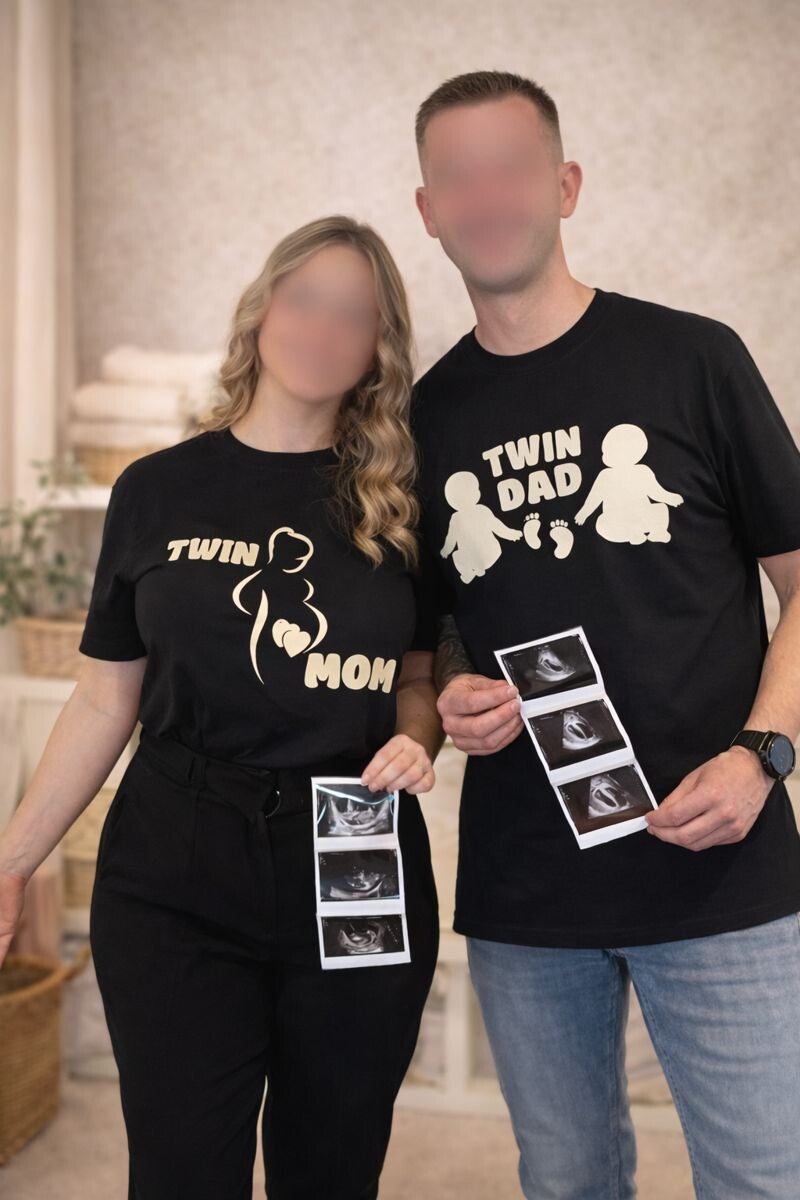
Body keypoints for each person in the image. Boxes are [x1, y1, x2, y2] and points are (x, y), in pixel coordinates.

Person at [410, 69, 800, 1198]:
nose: (486, 196)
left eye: (511, 167)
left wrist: (763, 754)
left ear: (565, 185)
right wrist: (454, 689)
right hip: (528, 890)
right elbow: (435, 627)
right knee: (566, 1179)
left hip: (720, 865)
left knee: (763, 1177)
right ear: (428, 209)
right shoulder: (423, 418)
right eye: (457, 177)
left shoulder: (693, 359)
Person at [0, 214, 444, 1199]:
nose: (322, 328)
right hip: (176, 857)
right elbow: (104, 697)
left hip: (353, 841)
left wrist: (420, 739)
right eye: (304, 299)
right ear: (260, 310)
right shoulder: (157, 490)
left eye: (354, 314)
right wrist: (14, 859)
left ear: (379, 347)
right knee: (181, 1171)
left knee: (331, 1170)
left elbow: (419, 681)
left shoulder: (404, 500)